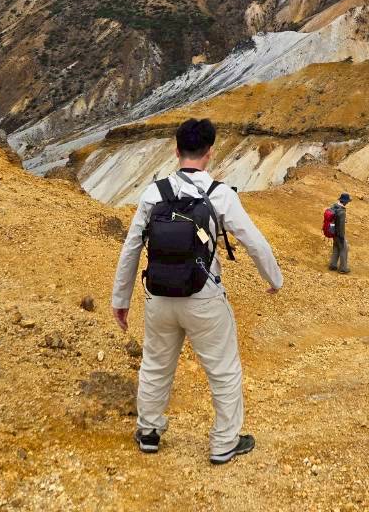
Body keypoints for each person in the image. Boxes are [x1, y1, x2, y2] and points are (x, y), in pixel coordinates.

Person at [111, 117, 283, 465]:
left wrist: (121, 299)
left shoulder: (152, 193)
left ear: (176, 151)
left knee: (156, 365)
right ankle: (224, 443)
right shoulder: (220, 194)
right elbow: (255, 243)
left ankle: (149, 432)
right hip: (204, 295)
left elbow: (131, 248)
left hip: (158, 297)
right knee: (223, 369)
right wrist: (273, 279)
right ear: (210, 152)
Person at [327, 191, 351, 273]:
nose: (347, 203)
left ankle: (333, 265)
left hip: (333, 231)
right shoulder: (342, 212)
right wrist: (341, 236)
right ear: (344, 201)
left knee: (336, 248)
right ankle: (343, 269)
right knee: (344, 249)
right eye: (347, 201)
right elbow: (341, 226)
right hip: (339, 233)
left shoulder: (334, 206)